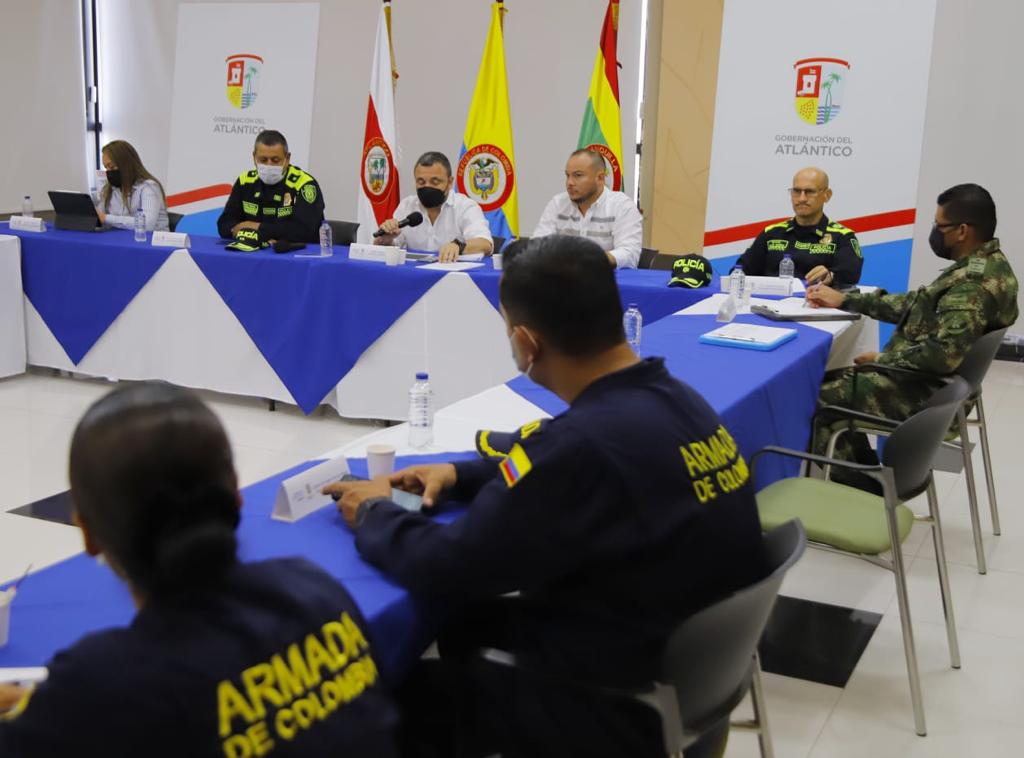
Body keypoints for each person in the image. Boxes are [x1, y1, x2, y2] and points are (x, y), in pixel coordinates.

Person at [324, 236, 767, 758]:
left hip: (613, 707)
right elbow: (577, 466)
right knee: (467, 625)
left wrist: (372, 511)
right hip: (678, 672)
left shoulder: (584, 444)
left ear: (527, 343)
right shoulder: (674, 399)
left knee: (384, 701)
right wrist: (459, 474)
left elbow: (446, 565)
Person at [0, 383, 397, 757]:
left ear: (87, 533)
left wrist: (47, 707)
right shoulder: (314, 589)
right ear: (237, 497)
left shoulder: (100, 684)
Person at [806, 183, 1018, 489]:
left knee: (814, 397)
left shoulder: (973, 285)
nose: (934, 232)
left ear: (962, 231)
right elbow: (918, 306)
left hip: (926, 390)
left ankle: (866, 493)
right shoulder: (989, 266)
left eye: (939, 226)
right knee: (827, 382)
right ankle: (864, 474)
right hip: (937, 382)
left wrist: (882, 359)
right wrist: (847, 300)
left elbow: (942, 355)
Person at [737, 166, 862, 287]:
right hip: (771, 305)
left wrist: (831, 275)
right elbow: (739, 272)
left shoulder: (842, 236)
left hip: (817, 306)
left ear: (827, 195)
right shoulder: (771, 234)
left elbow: (851, 274)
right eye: (796, 191)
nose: (802, 198)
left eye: (809, 192)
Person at [532, 149, 643, 269]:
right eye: (567, 175)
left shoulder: (622, 206)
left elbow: (630, 254)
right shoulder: (558, 203)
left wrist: (591, 259)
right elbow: (537, 245)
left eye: (578, 175)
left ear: (600, 178)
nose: (569, 182)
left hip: (605, 283)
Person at [375, 151, 493, 263]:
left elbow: (485, 243)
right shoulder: (407, 206)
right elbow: (394, 247)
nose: (427, 187)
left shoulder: (465, 206)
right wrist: (386, 240)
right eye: (421, 182)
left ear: (450, 182)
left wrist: (458, 246)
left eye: (435, 182)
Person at [217, 130, 325, 248]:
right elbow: (224, 225)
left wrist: (257, 228)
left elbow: (304, 231)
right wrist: (261, 235)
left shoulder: (305, 185)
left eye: (275, 160)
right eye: (263, 160)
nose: (269, 165)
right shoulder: (245, 181)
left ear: (287, 158)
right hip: (253, 250)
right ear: (254, 157)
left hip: (297, 254)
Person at [96, 140, 170, 232]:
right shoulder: (110, 189)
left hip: (153, 243)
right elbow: (99, 217)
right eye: (106, 167)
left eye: (111, 167)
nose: (108, 172)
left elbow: (146, 224)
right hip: (123, 241)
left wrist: (106, 218)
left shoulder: (149, 187)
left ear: (126, 165)